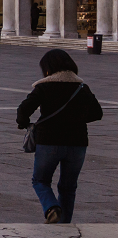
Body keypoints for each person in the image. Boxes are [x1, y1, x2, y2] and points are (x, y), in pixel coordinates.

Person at [17, 49, 103, 224]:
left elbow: (23, 110)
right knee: (68, 187)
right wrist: (77, 119)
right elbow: (97, 113)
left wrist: (24, 123)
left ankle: (51, 208)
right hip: (77, 143)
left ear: (48, 68)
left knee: (40, 180)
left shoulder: (44, 86)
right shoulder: (81, 87)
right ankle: (64, 224)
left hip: (49, 141)